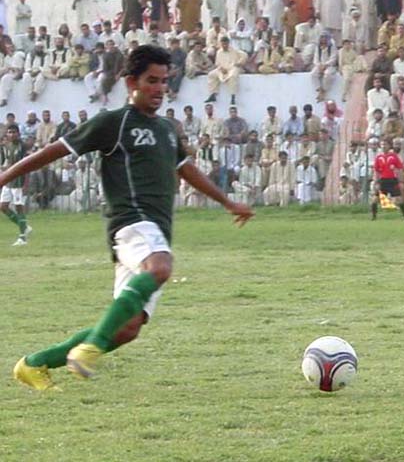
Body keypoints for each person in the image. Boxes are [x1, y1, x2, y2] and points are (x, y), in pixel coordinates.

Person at [11, 45, 254, 391]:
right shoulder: (113, 123)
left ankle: (33, 364)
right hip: (130, 222)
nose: (159, 89)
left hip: (155, 229)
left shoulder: (167, 129)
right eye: (151, 81)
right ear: (130, 83)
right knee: (160, 268)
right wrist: (5, 177)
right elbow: (51, 152)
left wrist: (229, 203)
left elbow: (186, 170)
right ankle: (89, 349)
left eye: (164, 81)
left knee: (127, 328)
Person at [0, 123, 31, 246]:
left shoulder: (23, 146)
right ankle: (24, 225)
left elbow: (28, 165)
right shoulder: (7, 146)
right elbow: (7, 163)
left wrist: (26, 184)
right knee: (3, 206)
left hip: (19, 180)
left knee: (19, 207)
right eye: (9, 132)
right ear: (7, 134)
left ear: (18, 133)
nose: (12, 134)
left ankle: (22, 237)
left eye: (14, 132)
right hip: (9, 180)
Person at [371, 139, 404, 220]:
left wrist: (401, 181)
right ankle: (374, 217)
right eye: (382, 144)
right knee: (375, 199)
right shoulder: (378, 157)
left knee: (399, 199)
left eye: (385, 144)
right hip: (382, 181)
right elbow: (376, 171)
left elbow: (400, 169)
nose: (384, 146)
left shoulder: (394, 156)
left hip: (392, 180)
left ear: (389, 146)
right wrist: (376, 182)